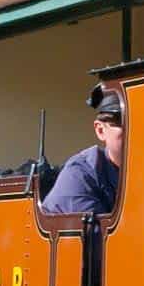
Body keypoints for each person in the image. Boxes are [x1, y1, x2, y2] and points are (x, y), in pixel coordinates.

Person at [43, 86, 123, 216]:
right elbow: (102, 234)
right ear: (100, 130)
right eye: (122, 123)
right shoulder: (80, 174)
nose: (135, 131)